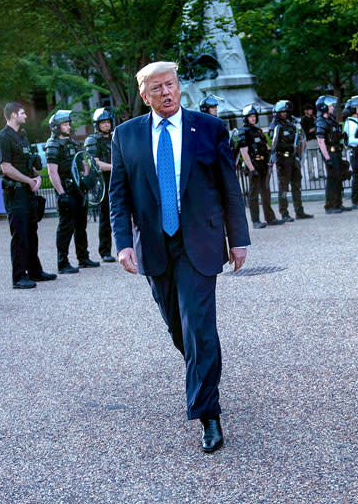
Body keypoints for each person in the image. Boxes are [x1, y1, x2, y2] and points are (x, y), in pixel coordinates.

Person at [109, 61, 250, 453]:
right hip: (155, 246)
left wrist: (238, 239)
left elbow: (229, 189)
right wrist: (122, 244)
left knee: (199, 327)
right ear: (144, 95)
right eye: (157, 89)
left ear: (179, 86)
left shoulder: (208, 128)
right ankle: (205, 371)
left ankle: (208, 413)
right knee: (179, 329)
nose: (166, 93)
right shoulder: (126, 136)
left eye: (170, 85)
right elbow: (118, 198)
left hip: (200, 244)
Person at [0, 102, 56, 289]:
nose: (26, 116)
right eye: (22, 113)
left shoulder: (22, 136)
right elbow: (6, 168)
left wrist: (35, 178)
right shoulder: (3, 138)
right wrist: (28, 181)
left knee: (31, 233)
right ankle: (19, 277)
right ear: (13, 115)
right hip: (16, 193)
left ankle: (35, 271)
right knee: (20, 235)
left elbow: (28, 163)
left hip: (28, 192)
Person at [45, 110, 100, 274]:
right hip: (66, 190)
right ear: (56, 127)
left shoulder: (73, 143)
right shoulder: (53, 145)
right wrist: (61, 194)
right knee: (65, 227)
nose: (68, 127)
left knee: (81, 225)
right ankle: (63, 263)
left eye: (68, 124)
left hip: (79, 189)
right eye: (65, 124)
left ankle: (83, 258)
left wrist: (86, 178)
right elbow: (52, 172)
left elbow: (83, 162)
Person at [237, 104, 280, 229]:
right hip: (254, 165)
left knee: (266, 192)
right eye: (250, 117)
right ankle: (255, 220)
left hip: (263, 165)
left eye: (254, 116)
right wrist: (251, 169)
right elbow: (244, 152)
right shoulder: (243, 132)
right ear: (246, 118)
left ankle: (270, 218)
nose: (253, 119)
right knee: (254, 194)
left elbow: (266, 147)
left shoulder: (258, 131)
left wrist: (271, 155)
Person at [270, 100, 314, 221]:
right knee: (283, 187)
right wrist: (289, 146)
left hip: (293, 158)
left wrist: (298, 152)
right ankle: (284, 213)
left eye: (286, 111)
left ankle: (299, 211)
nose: (284, 114)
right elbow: (274, 144)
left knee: (297, 185)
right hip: (283, 159)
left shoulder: (291, 124)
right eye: (282, 112)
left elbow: (300, 138)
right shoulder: (275, 126)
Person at [85, 108, 116, 262]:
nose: (106, 125)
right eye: (103, 122)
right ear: (97, 124)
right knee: (105, 218)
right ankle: (105, 251)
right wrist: (115, 167)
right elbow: (94, 163)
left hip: (118, 179)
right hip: (103, 182)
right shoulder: (92, 140)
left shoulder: (116, 137)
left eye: (108, 122)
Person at [315, 95, 351, 214]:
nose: (332, 107)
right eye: (330, 105)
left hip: (337, 152)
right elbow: (321, 141)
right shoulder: (321, 121)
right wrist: (327, 158)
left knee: (338, 178)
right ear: (324, 107)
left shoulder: (331, 120)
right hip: (330, 153)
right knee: (332, 179)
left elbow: (335, 135)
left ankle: (338, 204)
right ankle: (330, 206)